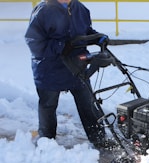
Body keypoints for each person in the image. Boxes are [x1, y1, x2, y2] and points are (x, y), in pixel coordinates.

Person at [25, 0, 109, 148]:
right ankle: (46, 141)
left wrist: (97, 37)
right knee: (48, 105)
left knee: (88, 104)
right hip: (50, 69)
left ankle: (99, 140)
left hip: (77, 67)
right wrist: (61, 47)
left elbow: (85, 30)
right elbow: (34, 42)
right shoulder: (44, 10)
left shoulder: (80, 8)